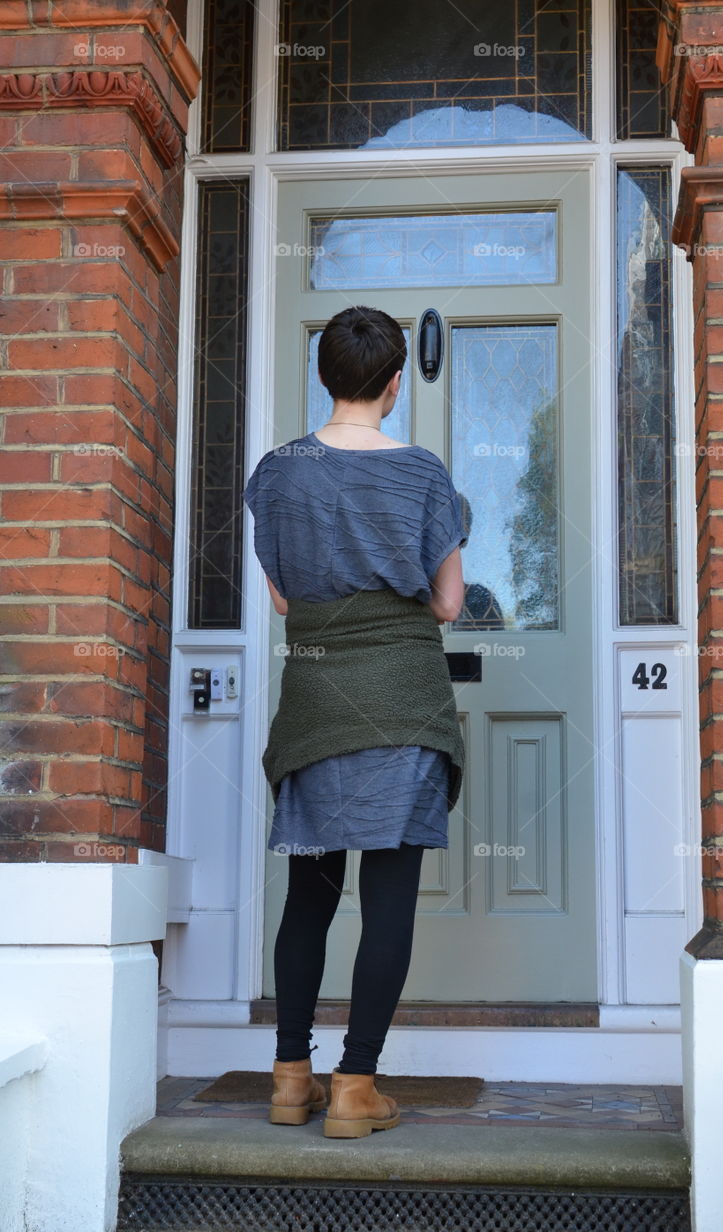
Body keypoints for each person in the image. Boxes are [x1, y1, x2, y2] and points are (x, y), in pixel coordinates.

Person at [242, 305, 469, 1139]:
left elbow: (282, 598)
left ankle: (288, 1077)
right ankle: (354, 1087)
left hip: (313, 703)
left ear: (324, 377)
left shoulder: (277, 472)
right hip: (403, 702)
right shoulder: (422, 474)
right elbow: (446, 602)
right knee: (389, 899)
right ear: (396, 383)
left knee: (308, 894)